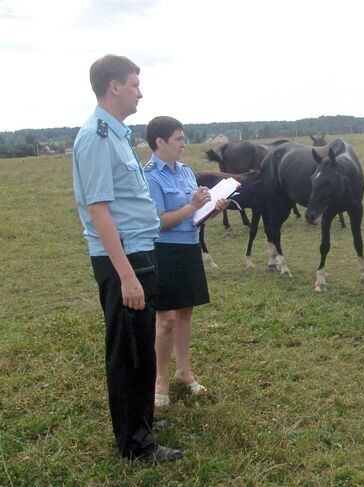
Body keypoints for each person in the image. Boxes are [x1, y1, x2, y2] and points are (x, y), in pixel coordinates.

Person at [72, 54, 184, 462]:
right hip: (124, 259)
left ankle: (142, 422)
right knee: (129, 352)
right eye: (135, 83)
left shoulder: (117, 134)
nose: (141, 91)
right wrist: (126, 276)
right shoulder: (97, 137)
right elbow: (99, 211)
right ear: (114, 87)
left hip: (139, 251)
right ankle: (135, 445)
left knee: (140, 345)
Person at [143, 116, 229, 409]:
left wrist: (212, 208)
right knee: (165, 319)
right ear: (160, 142)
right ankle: (160, 380)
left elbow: (194, 217)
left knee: (185, 314)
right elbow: (158, 223)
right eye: (179, 138)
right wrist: (192, 205)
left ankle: (184, 371)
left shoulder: (186, 173)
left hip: (189, 248)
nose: (184, 144)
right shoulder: (150, 176)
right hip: (164, 252)